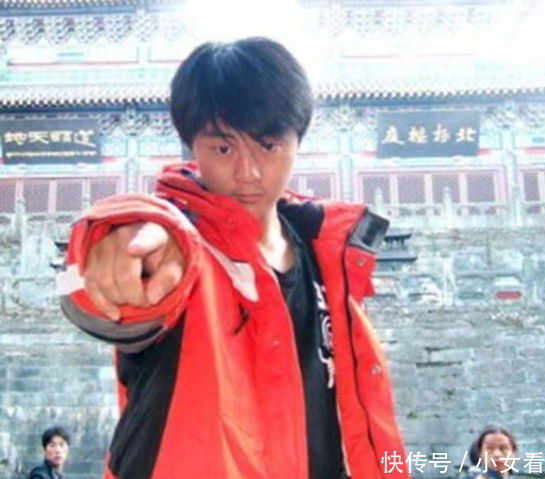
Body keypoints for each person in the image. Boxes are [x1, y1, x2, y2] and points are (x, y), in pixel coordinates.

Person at [58, 37, 408, 479]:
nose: (249, 172)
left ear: (297, 141)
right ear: (192, 147)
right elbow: (91, 284)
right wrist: (117, 251)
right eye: (223, 149)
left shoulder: (327, 255)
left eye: (268, 146)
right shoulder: (176, 248)